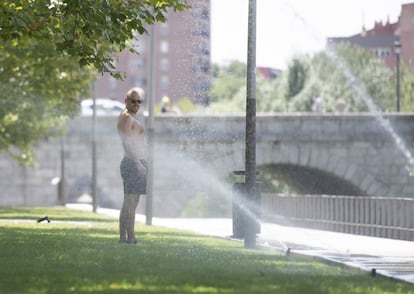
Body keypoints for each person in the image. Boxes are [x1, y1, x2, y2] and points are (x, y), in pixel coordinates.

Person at [117, 88, 147, 244]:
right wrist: (137, 163)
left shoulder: (130, 117)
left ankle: (125, 238)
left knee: (131, 202)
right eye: (133, 101)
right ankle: (130, 238)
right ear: (126, 100)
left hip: (137, 162)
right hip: (132, 162)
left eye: (139, 101)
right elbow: (127, 142)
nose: (136, 104)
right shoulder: (127, 117)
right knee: (130, 202)